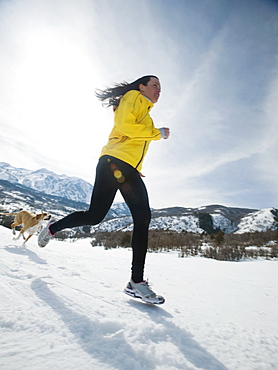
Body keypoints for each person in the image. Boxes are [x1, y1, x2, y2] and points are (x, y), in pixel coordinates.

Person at [38, 75, 170, 304]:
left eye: (161, 87)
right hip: (114, 163)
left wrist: (136, 167)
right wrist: (157, 133)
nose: (159, 90)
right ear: (142, 87)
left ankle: (136, 282)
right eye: (155, 85)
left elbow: (132, 141)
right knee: (102, 216)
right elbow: (125, 127)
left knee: (119, 217)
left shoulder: (145, 112)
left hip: (124, 166)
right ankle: (54, 228)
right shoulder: (133, 97)